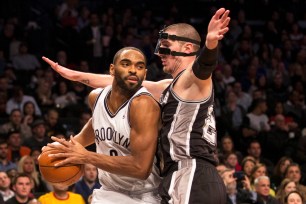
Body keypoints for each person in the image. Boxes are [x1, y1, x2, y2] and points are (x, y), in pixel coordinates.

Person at [42, 8, 231, 203]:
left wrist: (210, 44)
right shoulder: (169, 86)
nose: (159, 53)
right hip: (178, 174)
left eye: (166, 46)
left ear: (187, 49)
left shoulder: (192, 79)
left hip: (193, 171)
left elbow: (204, 67)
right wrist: (76, 76)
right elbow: (116, 81)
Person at [43, 47, 161, 203]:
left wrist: (86, 156)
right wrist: (62, 149)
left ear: (144, 74)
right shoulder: (96, 97)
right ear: (112, 69)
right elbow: (96, 128)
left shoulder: (143, 104)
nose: (133, 70)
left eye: (139, 67)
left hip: (141, 195)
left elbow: (141, 168)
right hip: (108, 191)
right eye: (126, 64)